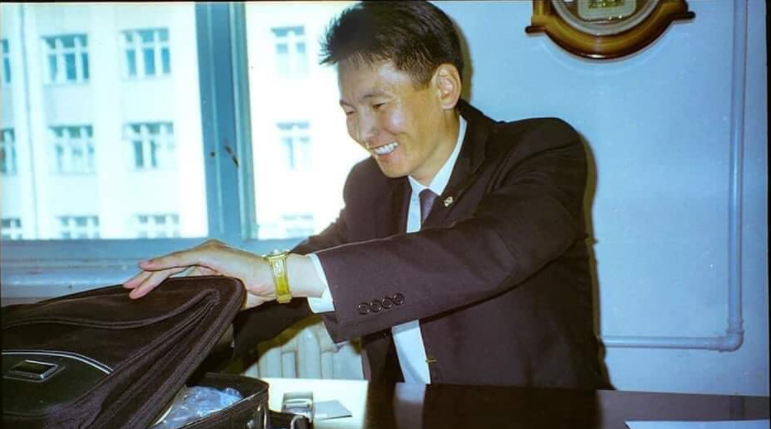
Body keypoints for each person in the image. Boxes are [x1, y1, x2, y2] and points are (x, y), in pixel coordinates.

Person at [124, 1, 609, 389]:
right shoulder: (370, 185)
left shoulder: (541, 150)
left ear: (444, 87)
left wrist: (280, 274)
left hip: (549, 426)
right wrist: (188, 332)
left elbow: (485, 251)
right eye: (349, 111)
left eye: (378, 104)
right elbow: (312, 270)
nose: (363, 132)